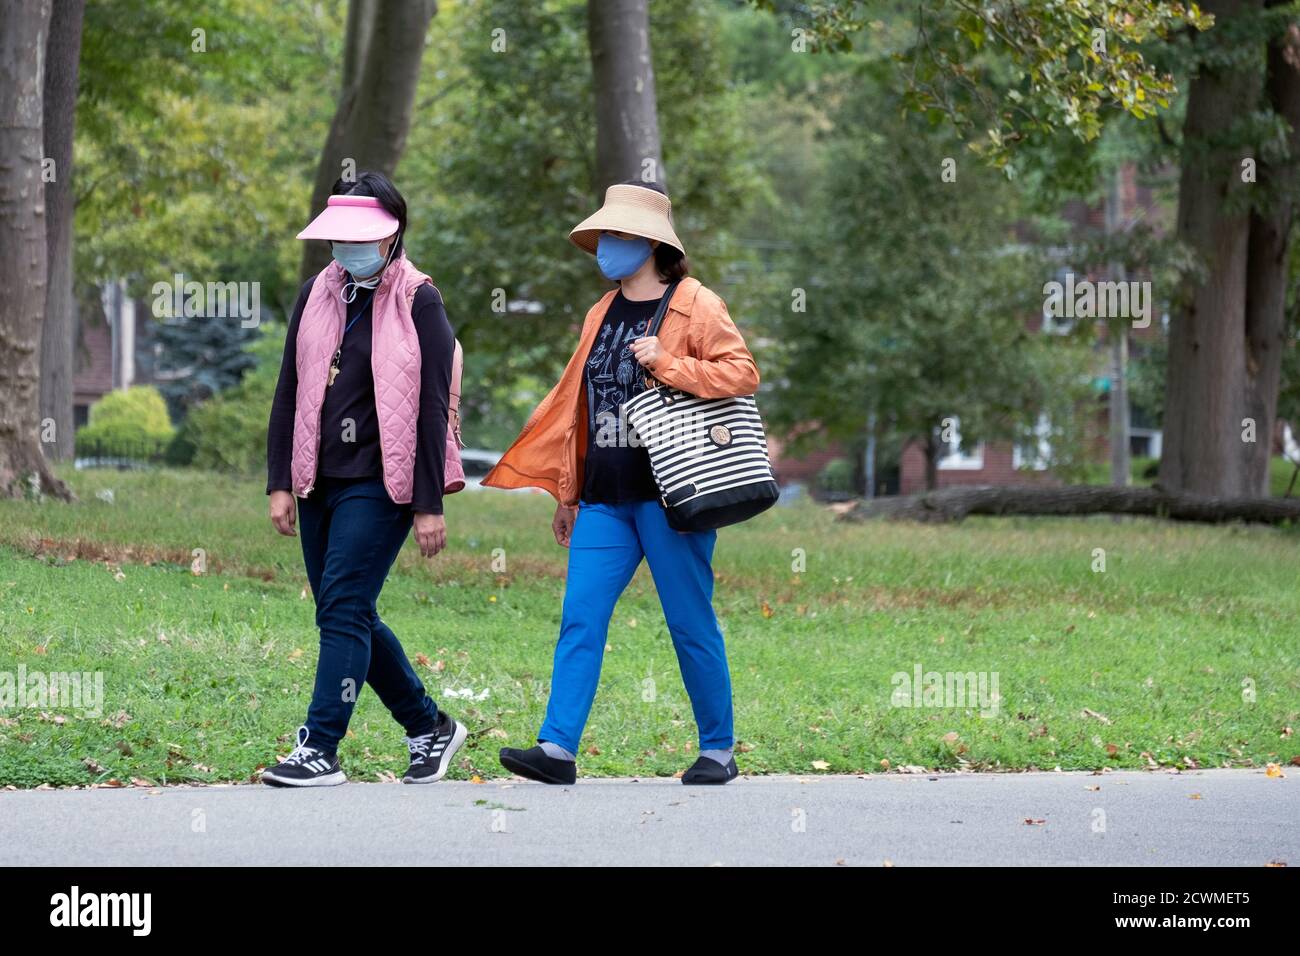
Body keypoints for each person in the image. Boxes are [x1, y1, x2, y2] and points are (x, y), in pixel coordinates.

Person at [484, 180, 760, 785]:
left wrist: (668, 363)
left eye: (619, 233)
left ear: (652, 241)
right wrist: (568, 490)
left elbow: (742, 373)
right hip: (605, 498)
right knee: (580, 617)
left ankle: (718, 750)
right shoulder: (600, 313)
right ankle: (556, 750)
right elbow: (577, 408)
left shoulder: (696, 303)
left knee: (690, 621)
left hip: (674, 492)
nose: (607, 243)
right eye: (604, 232)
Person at [262, 171, 467, 786]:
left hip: (384, 482)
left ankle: (320, 747)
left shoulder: (419, 299)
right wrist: (279, 480)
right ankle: (429, 727)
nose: (346, 251)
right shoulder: (316, 293)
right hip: (318, 477)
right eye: (338, 239)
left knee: (345, 606)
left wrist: (430, 501)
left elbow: (432, 404)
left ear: (391, 235)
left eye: (360, 238)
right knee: (344, 611)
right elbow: (289, 390)